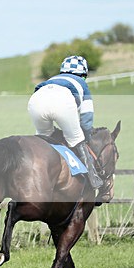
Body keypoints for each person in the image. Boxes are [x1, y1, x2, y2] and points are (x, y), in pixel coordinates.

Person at [28, 55, 103, 190]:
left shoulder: (52, 79)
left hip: (36, 100)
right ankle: (93, 179)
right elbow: (86, 120)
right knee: (76, 138)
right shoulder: (81, 83)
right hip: (62, 101)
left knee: (44, 137)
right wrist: (86, 136)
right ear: (83, 74)